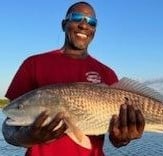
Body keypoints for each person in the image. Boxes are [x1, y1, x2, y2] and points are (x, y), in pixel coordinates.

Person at [2, 1, 145, 156]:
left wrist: (123, 138)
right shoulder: (33, 64)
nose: (84, 25)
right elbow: (8, 127)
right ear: (64, 24)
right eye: (77, 17)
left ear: (94, 30)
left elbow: (116, 140)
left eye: (92, 22)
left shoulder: (107, 73)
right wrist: (28, 137)